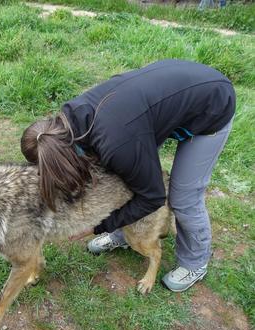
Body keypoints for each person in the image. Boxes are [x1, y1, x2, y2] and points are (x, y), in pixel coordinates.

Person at [20, 59, 235, 292]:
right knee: (125, 175)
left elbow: (153, 197)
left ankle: (195, 262)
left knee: (184, 196)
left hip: (212, 102)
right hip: (166, 93)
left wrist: (98, 226)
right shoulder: (69, 120)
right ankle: (124, 234)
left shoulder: (118, 145)